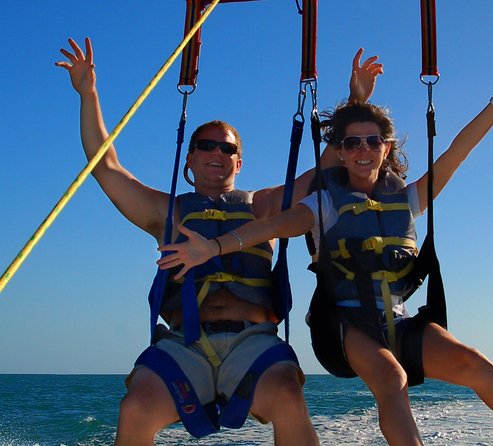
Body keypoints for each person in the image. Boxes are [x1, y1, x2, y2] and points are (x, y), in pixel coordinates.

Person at [160, 54, 493, 446]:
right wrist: (213, 247)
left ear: (386, 148)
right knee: (391, 376)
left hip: (397, 320)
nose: (362, 149)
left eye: (372, 141)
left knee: (473, 362)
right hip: (343, 325)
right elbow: (270, 226)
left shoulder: (409, 198)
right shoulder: (322, 202)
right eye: (351, 143)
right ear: (340, 154)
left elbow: (459, 150)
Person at [56, 37, 383, 445]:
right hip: (184, 345)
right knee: (134, 406)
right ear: (190, 159)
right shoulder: (167, 211)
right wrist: (89, 94)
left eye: (227, 147)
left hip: (253, 342)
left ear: (239, 161)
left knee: (287, 394)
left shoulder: (263, 206)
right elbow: (105, 166)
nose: (216, 152)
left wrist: (354, 100)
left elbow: (328, 165)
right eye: (205, 146)